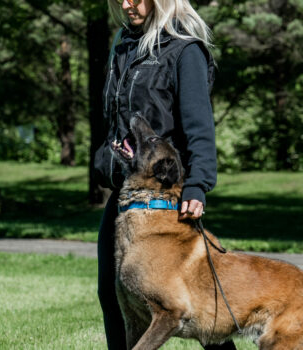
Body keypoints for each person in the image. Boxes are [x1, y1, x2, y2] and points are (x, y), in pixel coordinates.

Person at [94, 0, 236, 349]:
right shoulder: (123, 44)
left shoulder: (185, 51)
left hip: (167, 196)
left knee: (205, 309)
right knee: (113, 295)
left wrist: (198, 186)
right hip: (128, 192)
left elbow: (199, 128)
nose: (127, 5)